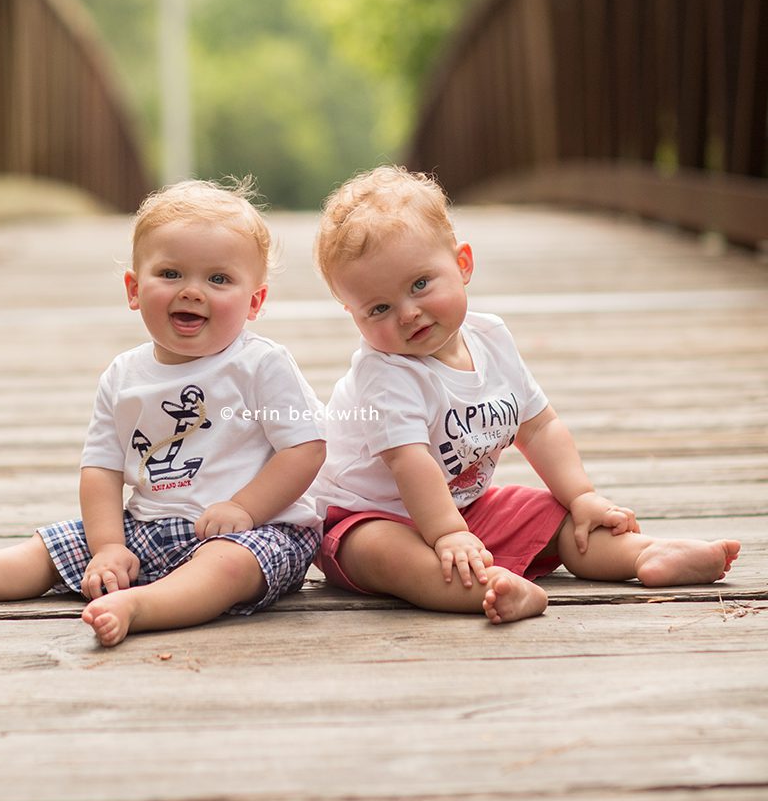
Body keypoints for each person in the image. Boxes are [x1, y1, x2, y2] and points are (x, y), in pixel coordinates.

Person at [0, 179, 325, 647]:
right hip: (148, 527)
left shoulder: (260, 365)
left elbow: (305, 449)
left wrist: (243, 507)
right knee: (49, 550)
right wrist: (109, 547)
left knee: (225, 567)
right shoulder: (124, 375)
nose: (192, 291)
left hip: (260, 530)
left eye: (218, 279)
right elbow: (101, 470)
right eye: (171, 274)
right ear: (134, 289)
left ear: (255, 301)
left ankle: (141, 606)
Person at [311, 165, 741, 625]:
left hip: (464, 507)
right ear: (352, 315)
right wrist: (448, 534)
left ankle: (644, 555)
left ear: (462, 265)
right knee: (387, 555)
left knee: (552, 514)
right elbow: (409, 463)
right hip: (365, 517)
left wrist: (581, 496)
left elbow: (539, 426)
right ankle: (493, 588)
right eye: (379, 308)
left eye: (420, 284)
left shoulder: (491, 338)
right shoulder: (385, 374)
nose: (408, 313)